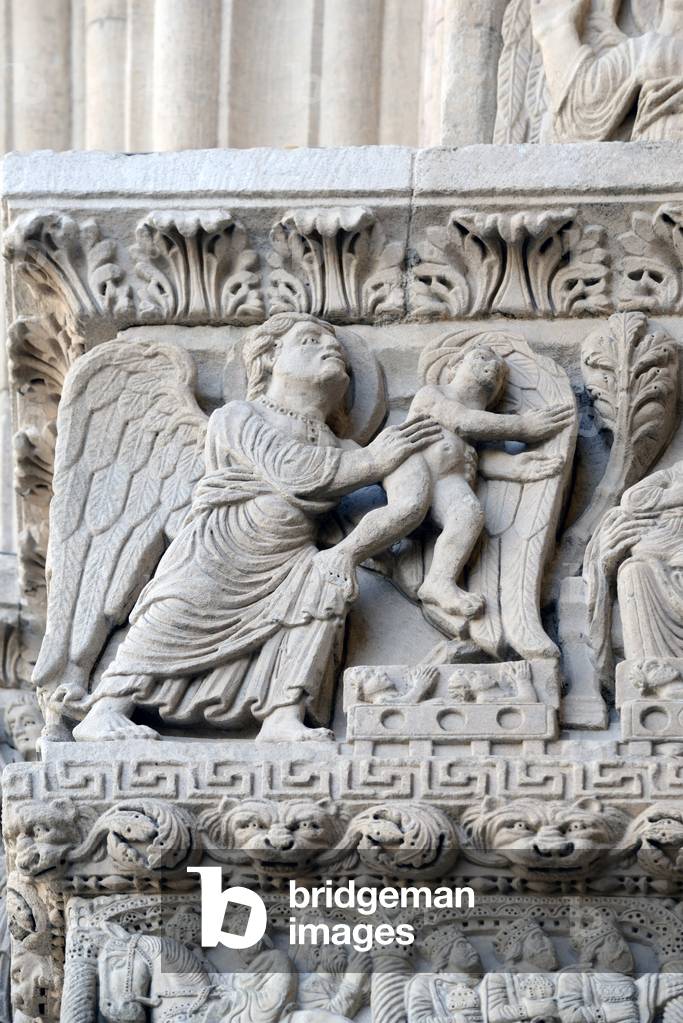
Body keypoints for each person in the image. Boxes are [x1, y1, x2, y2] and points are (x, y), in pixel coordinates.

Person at [71, 313, 441, 743]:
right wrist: (374, 461)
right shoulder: (239, 416)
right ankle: (108, 706)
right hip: (221, 547)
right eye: (310, 340)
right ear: (269, 359)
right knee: (176, 613)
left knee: (324, 587)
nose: (330, 348)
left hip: (291, 553)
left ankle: (282, 715)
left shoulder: (341, 446)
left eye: (337, 347)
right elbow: (290, 470)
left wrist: (424, 478)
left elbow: (375, 510)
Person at [330, 343, 572, 618]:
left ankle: (439, 582)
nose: (492, 367)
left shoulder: (484, 429)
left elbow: (483, 461)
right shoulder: (433, 395)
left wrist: (516, 467)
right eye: (482, 357)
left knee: (469, 514)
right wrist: (522, 426)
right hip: (413, 459)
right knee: (409, 506)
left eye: (501, 372)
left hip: (449, 478)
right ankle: (343, 554)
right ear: (454, 366)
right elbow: (462, 421)